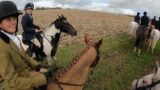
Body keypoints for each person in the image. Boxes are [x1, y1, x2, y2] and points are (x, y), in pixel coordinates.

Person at [0, 1, 51, 90]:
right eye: (8, 20)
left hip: (25, 74)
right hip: (14, 85)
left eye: (14, 18)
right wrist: (42, 80)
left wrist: (37, 66)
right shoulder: (1, 47)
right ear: (0, 24)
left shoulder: (13, 37)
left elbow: (25, 57)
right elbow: (12, 82)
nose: (13, 22)